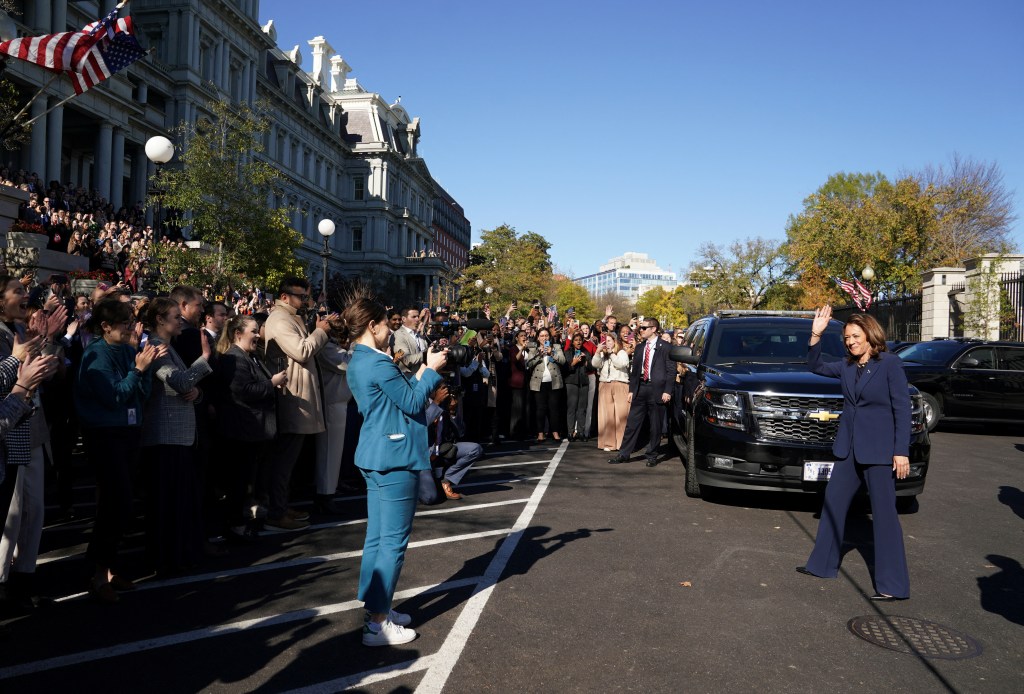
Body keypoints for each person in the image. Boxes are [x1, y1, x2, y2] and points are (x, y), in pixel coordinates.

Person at [343, 286, 447, 647]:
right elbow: (413, 402)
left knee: (377, 538)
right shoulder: (377, 362)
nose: (391, 328)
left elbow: (398, 398)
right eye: (387, 324)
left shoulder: (360, 359)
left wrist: (419, 374)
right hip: (394, 456)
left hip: (376, 454)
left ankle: (377, 606)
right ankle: (377, 622)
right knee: (392, 542)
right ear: (373, 326)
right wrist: (430, 371)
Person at [797, 306, 912, 601]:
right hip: (848, 449)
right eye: (847, 337)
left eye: (855, 336)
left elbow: (902, 409)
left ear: (870, 335)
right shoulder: (847, 366)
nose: (850, 342)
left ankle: (892, 586)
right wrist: (816, 334)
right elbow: (814, 366)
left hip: (879, 452)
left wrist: (901, 451)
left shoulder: (890, 364)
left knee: (885, 516)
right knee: (833, 505)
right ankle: (822, 566)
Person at [76, 299, 163, 602]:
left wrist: (145, 368)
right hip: (105, 435)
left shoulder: (127, 350)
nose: (131, 328)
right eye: (126, 323)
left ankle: (109, 569)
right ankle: (98, 574)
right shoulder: (95, 355)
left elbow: (141, 394)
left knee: (124, 503)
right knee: (117, 502)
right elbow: (115, 397)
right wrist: (138, 370)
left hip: (129, 431)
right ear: (105, 326)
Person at [141, 297, 213, 575]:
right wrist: (204, 360)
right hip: (164, 437)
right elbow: (180, 381)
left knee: (179, 501)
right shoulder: (155, 346)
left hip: (177, 435)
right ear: (160, 320)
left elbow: (185, 387)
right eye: (175, 317)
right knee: (166, 502)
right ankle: (165, 559)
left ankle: (178, 555)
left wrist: (197, 393)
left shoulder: (169, 347)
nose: (180, 321)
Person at [262, 277, 335, 531]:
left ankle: (281, 506)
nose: (305, 301)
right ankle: (276, 512)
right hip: (292, 398)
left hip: (298, 397)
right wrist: (321, 331)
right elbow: (302, 351)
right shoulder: (279, 319)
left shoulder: (291, 317)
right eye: (301, 296)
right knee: (283, 461)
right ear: (284, 297)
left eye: (306, 296)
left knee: (289, 461)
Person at [215, 315, 287, 540]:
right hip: (243, 431)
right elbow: (242, 391)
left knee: (250, 480)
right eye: (253, 331)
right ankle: (236, 526)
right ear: (238, 334)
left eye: (258, 331)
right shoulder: (233, 358)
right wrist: (272, 383)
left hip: (256, 431)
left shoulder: (250, 356)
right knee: (240, 483)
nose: (258, 335)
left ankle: (244, 521)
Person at [608, 318, 674, 467]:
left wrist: (667, 391)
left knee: (655, 425)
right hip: (641, 389)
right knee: (632, 423)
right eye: (641, 328)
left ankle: (652, 455)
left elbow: (671, 371)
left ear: (653, 329)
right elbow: (635, 371)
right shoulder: (639, 348)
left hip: (658, 390)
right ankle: (624, 454)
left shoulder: (666, 347)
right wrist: (632, 390)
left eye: (644, 328)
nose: (641, 330)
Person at [591, 331, 630, 452]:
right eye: (605, 341)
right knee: (607, 416)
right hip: (605, 384)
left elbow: (621, 364)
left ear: (614, 341)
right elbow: (595, 364)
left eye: (609, 340)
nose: (607, 343)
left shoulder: (622, 352)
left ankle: (622, 443)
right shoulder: (602, 354)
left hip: (620, 384)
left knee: (621, 415)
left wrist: (611, 353)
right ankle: (608, 443)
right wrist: (598, 352)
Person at [526, 327, 565, 442]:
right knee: (540, 409)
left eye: (546, 335)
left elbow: (562, 361)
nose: (544, 338)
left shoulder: (556, 347)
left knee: (554, 408)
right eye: (542, 336)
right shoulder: (533, 348)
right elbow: (529, 363)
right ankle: (540, 433)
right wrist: (539, 354)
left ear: (550, 337)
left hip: (554, 382)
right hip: (539, 382)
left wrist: (551, 354)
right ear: (538, 337)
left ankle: (555, 432)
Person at [563, 332, 592, 441]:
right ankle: (570, 432)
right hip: (571, 382)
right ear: (572, 342)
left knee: (582, 408)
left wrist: (585, 362)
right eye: (576, 340)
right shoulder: (568, 352)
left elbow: (591, 367)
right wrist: (573, 363)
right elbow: (565, 369)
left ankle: (580, 432)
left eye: (580, 340)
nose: (578, 342)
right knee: (572, 408)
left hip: (584, 382)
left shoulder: (586, 352)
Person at [390, 306, 428, 374]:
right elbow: (406, 359)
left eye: (418, 316)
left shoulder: (419, 335)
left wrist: (436, 347)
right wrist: (427, 354)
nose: (417, 319)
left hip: (424, 377)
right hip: (409, 380)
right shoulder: (398, 335)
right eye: (414, 317)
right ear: (404, 319)